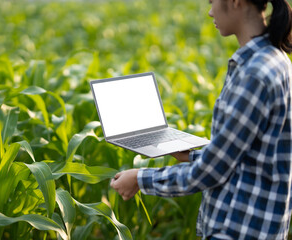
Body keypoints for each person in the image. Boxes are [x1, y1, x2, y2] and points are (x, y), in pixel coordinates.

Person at [110, 0, 292, 239]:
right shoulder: (276, 60)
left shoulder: (254, 74)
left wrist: (140, 179)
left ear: (236, 2)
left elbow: (211, 172)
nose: (210, 12)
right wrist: (189, 154)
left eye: (211, 2)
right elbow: (246, 158)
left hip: (237, 228)